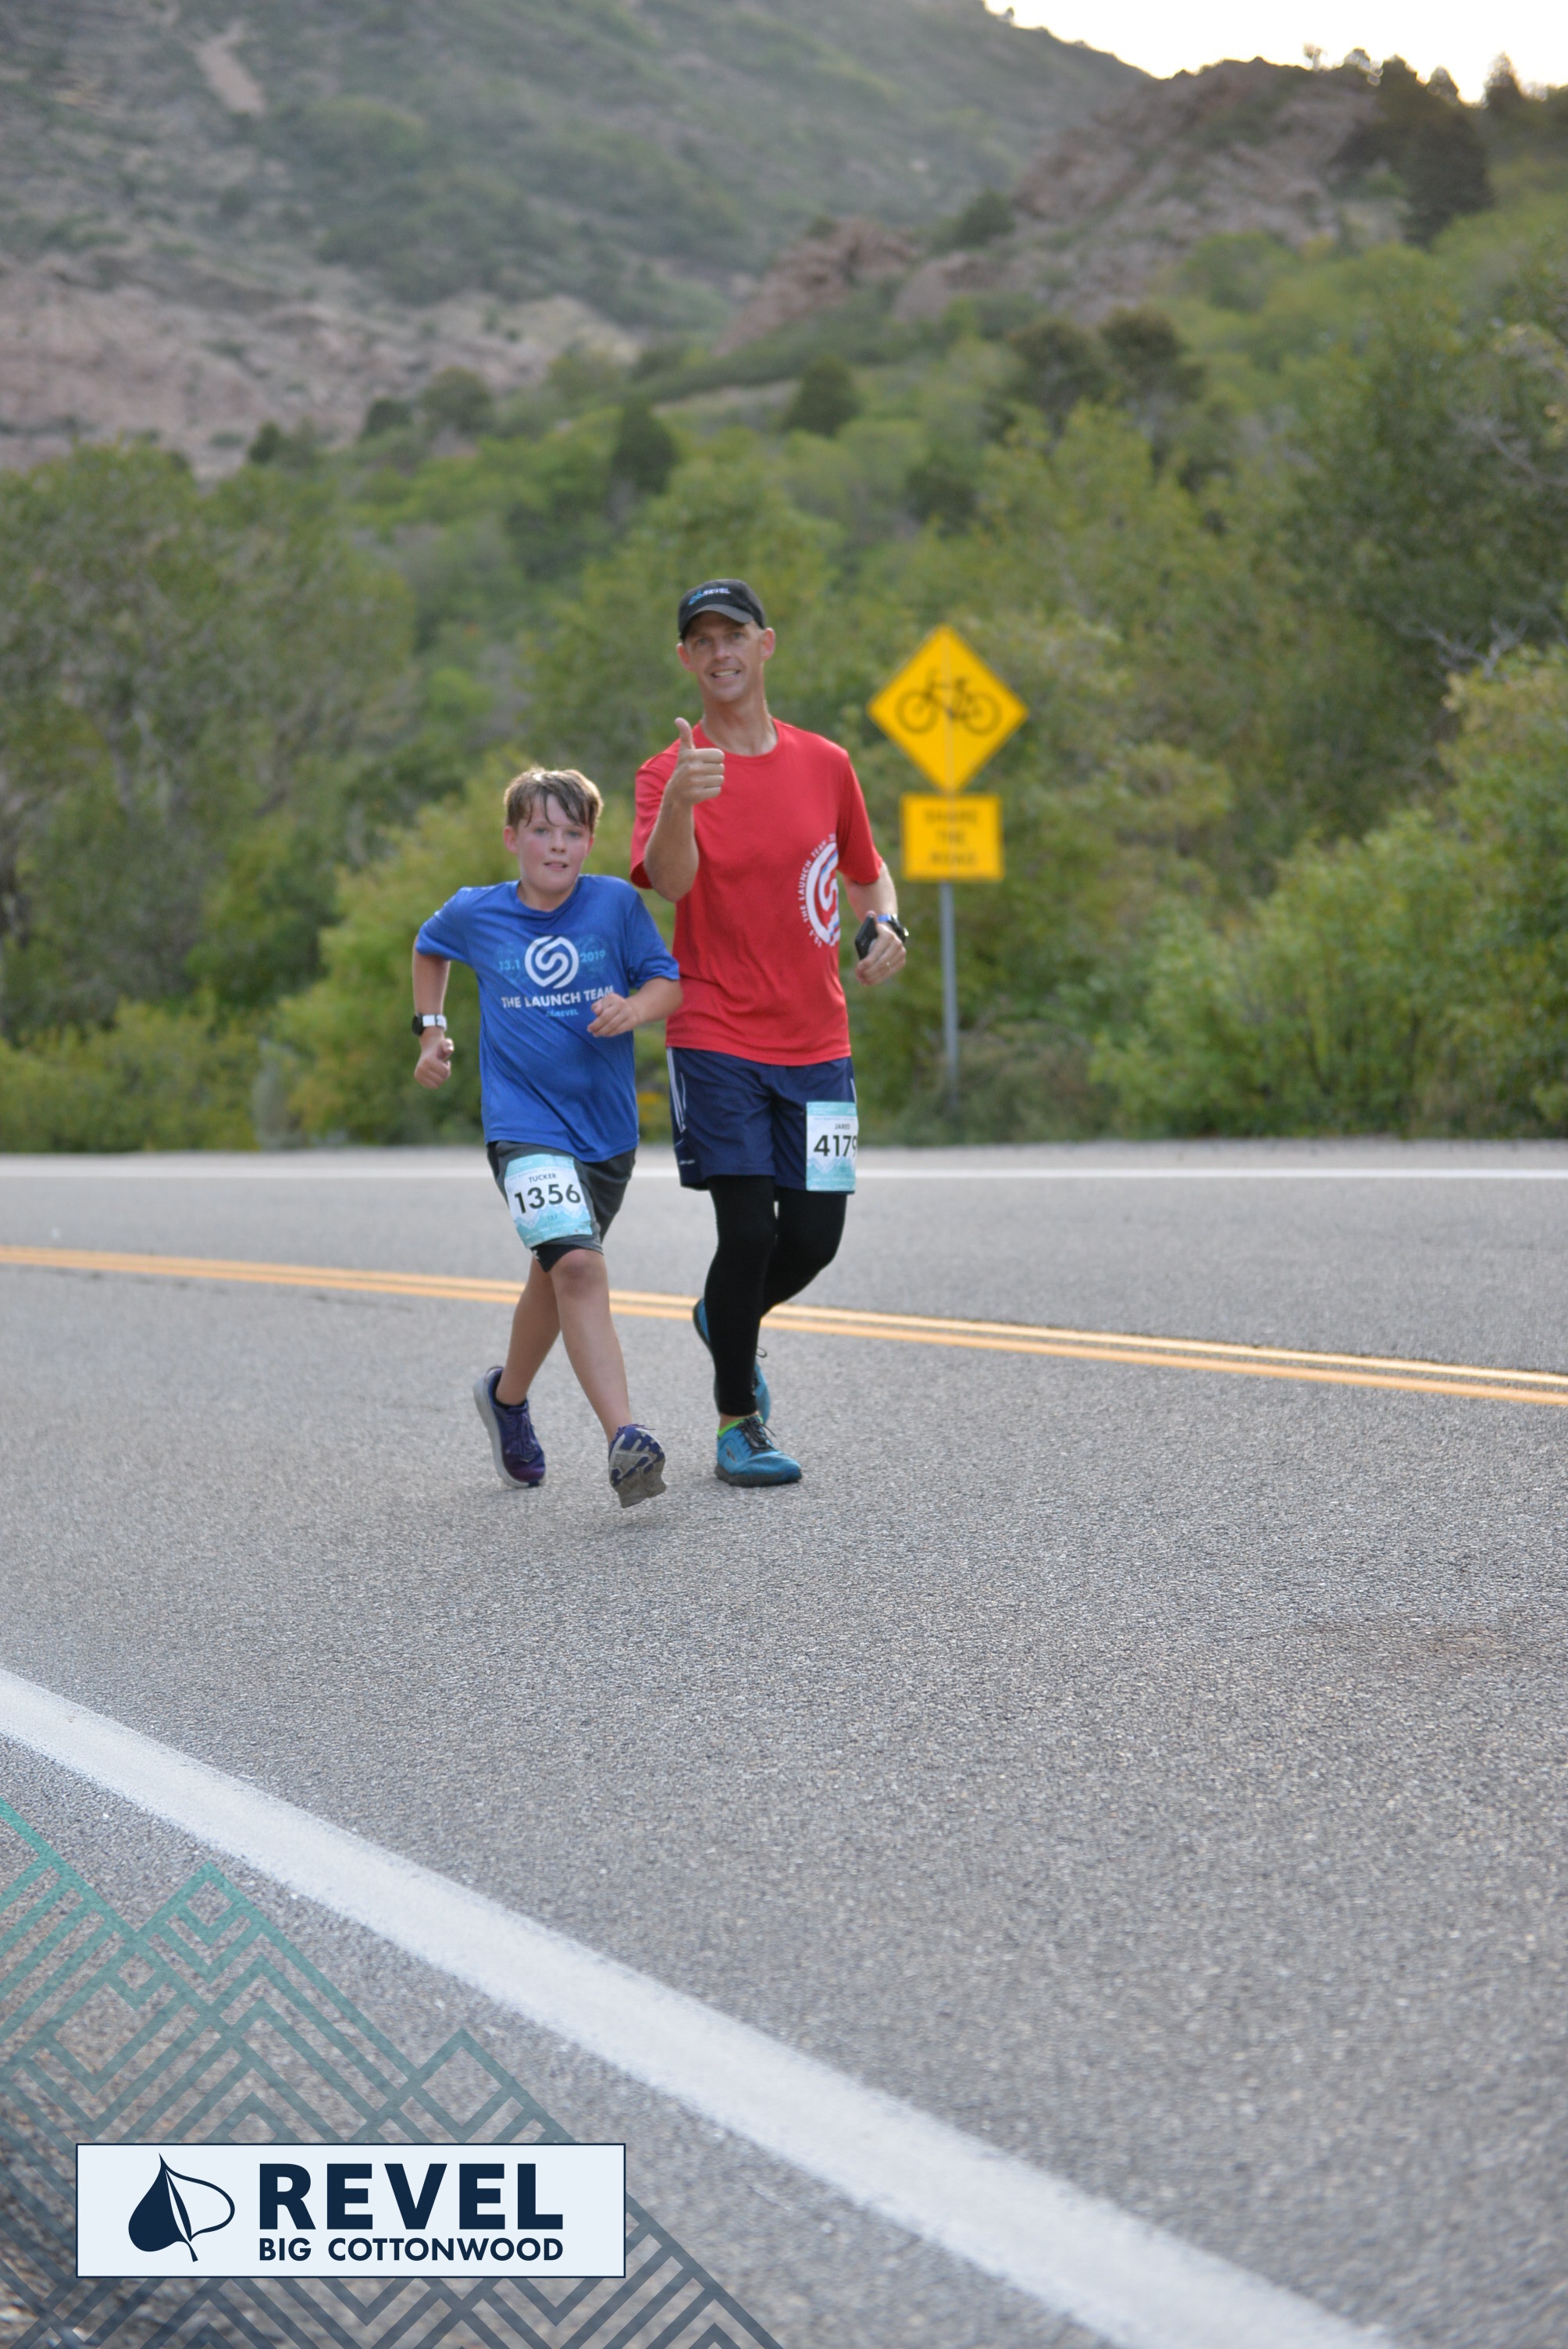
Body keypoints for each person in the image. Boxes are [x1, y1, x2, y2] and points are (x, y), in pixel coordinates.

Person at [632, 577, 907, 1488]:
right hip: (715, 1029)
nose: (720, 652)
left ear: (765, 644)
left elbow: (866, 873)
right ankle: (736, 1421)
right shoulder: (669, 771)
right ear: (686, 658)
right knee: (748, 1231)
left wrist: (885, 924)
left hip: (817, 1040)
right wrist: (682, 800)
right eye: (702, 640)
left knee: (815, 1237)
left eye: (734, 634)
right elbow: (669, 883)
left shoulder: (826, 762)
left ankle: (726, 1318)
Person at [412, 766, 682, 1508]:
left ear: (589, 841)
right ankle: (626, 1439)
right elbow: (429, 947)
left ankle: (506, 1399)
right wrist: (431, 1032)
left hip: (606, 1134)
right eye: (541, 830)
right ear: (512, 838)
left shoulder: (616, 904)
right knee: (580, 1270)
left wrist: (634, 1009)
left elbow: (670, 983)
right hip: (523, 1126)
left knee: (557, 1270)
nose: (557, 845)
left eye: (572, 832)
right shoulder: (477, 912)